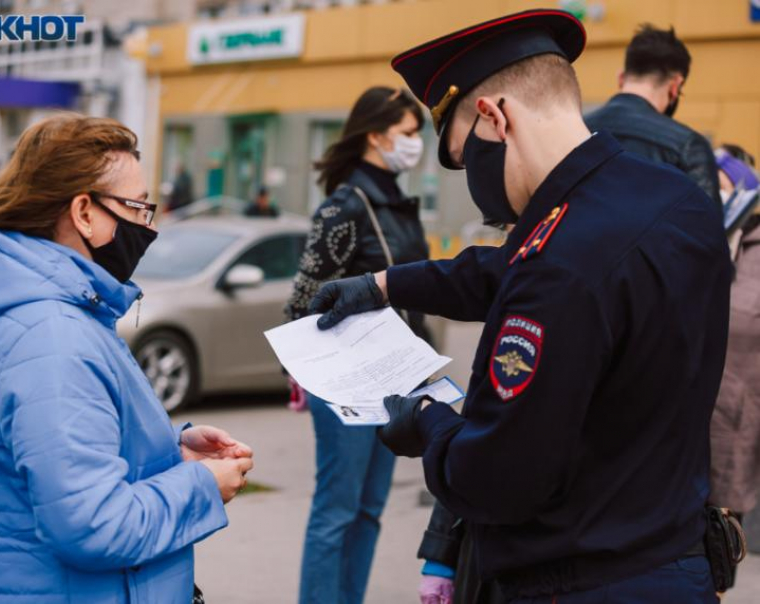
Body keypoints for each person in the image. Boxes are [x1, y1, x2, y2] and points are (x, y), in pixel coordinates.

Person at [309, 9, 731, 603]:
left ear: (494, 118)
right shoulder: (675, 201)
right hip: (675, 561)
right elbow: (507, 268)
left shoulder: (561, 263)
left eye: (464, 157)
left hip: (577, 579)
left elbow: (498, 479)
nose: (471, 182)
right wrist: (384, 284)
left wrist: (429, 423)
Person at [0, 114, 254, 604]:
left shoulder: (61, 316)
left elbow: (64, 452)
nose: (146, 227)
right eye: (137, 207)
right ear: (84, 212)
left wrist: (172, 451)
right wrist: (201, 487)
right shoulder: (51, 340)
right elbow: (93, 525)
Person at [285, 85, 431, 604]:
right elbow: (302, 301)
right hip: (344, 380)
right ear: (375, 135)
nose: (417, 143)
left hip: (394, 379)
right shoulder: (344, 207)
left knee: (369, 509)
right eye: (408, 134)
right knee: (338, 510)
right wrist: (309, 375)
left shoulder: (399, 202)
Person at [584, 24, 720, 204]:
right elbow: (707, 227)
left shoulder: (579, 129)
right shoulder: (688, 145)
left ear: (621, 78)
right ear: (676, 86)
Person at [709, 145, 760, 529]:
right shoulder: (686, 235)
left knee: (719, 550)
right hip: (670, 431)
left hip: (735, 431)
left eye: (720, 169)